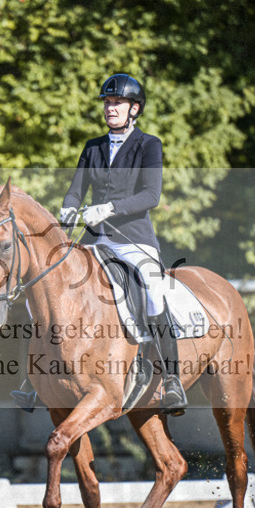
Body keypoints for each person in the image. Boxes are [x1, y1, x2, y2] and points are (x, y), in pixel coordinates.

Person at [11, 73, 187, 416]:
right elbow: (77, 188)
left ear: (134, 109)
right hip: (96, 242)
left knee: (153, 290)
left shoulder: (148, 145)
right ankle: (34, 380)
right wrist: (68, 206)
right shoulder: (92, 147)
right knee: (42, 292)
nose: (110, 109)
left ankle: (172, 379)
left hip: (134, 241)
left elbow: (151, 195)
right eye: (107, 103)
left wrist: (110, 208)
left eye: (117, 103)